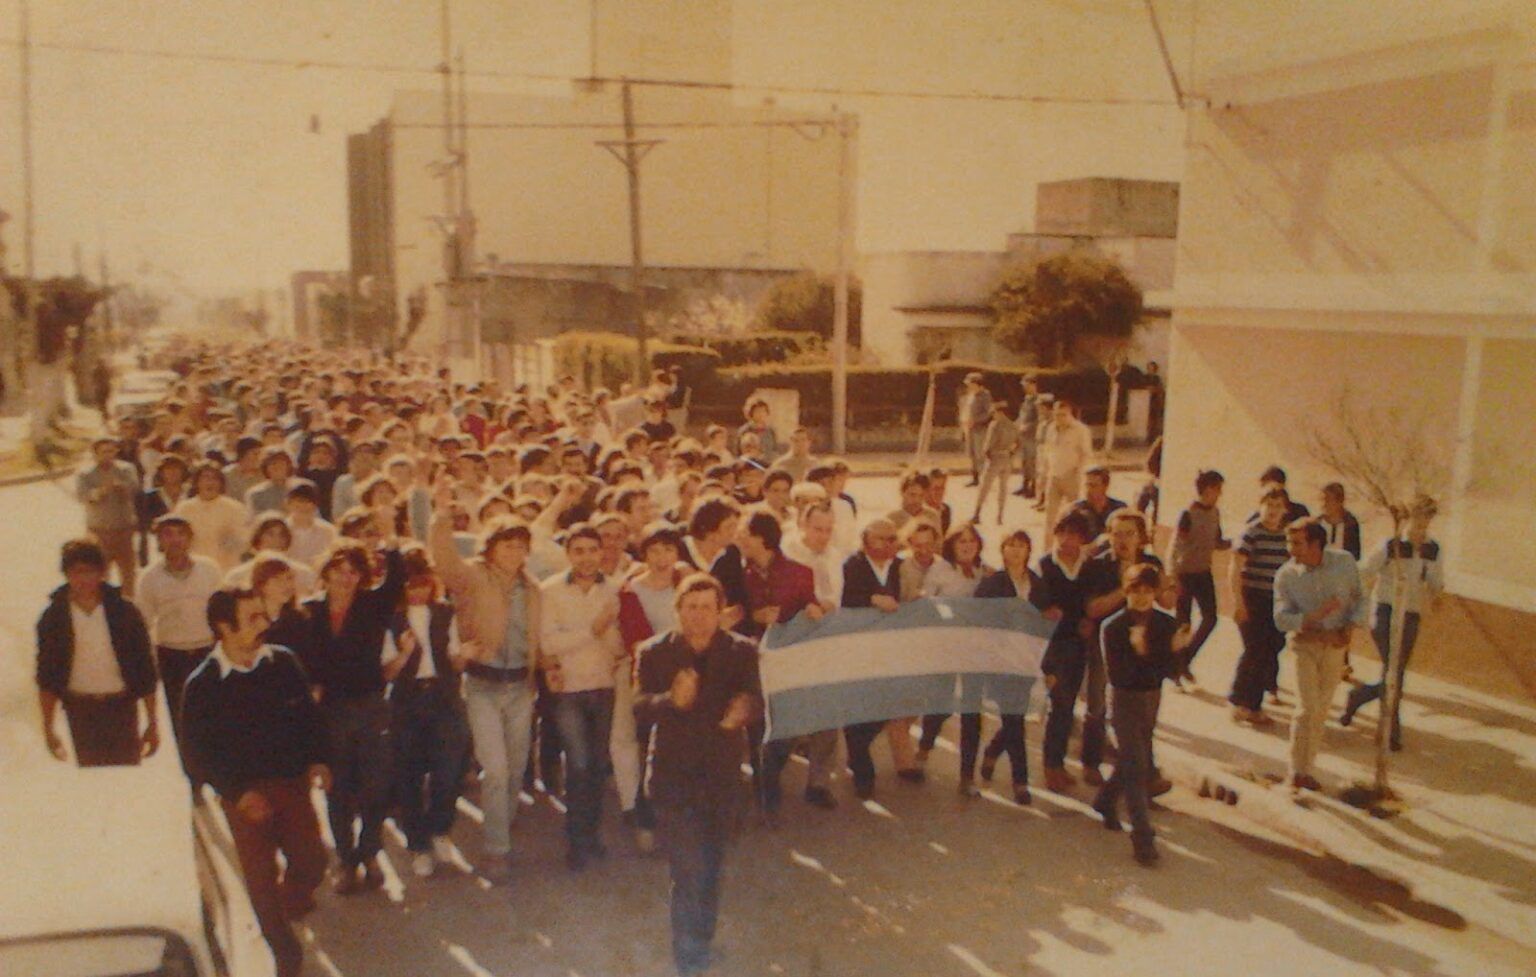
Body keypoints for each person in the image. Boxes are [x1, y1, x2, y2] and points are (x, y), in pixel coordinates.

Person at [180, 587, 330, 977]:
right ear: (223, 628)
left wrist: (319, 760)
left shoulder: (283, 663)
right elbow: (198, 754)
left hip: (291, 784)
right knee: (260, 883)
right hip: (243, 798)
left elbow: (310, 719)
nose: (264, 625)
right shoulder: (202, 684)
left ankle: (292, 899)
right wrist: (237, 793)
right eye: (252, 619)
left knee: (313, 859)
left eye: (263, 616)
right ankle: (285, 955)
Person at [633, 574, 762, 977]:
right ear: (677, 610)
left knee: (712, 867)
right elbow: (639, 708)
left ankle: (702, 939)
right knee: (686, 869)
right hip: (674, 777)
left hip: (722, 777)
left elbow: (757, 699)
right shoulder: (654, 652)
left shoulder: (742, 651)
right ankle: (687, 957)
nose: (699, 615)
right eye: (691, 607)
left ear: (721, 611)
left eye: (708, 607)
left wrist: (745, 708)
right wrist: (672, 699)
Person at [429, 486, 544, 882]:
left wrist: (546, 670)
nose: (514, 553)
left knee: (515, 768)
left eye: (519, 546)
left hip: (520, 688)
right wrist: (442, 520)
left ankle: (502, 821)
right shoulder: (473, 577)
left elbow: (536, 638)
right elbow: (444, 561)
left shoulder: (532, 589)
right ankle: (498, 849)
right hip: (482, 687)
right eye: (506, 545)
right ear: (491, 547)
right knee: (494, 770)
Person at [300, 537, 406, 893]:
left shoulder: (373, 605)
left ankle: (371, 851)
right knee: (338, 788)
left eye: (353, 572)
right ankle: (346, 860)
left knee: (376, 786)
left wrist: (389, 549)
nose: (345, 578)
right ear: (325, 574)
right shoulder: (309, 611)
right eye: (339, 571)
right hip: (330, 710)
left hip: (370, 704)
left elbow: (395, 580)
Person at [539, 523, 626, 871]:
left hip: (604, 685)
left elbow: (619, 645)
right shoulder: (550, 591)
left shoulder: (614, 590)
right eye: (579, 551)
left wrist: (606, 636)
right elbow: (548, 642)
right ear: (567, 554)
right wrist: (593, 630)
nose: (587, 558)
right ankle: (576, 841)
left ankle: (591, 834)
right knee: (578, 764)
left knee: (597, 766)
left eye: (593, 550)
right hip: (569, 690)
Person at [381, 548, 472, 878]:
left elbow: (456, 658)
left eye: (422, 583)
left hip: (443, 696)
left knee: (449, 770)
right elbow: (388, 673)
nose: (417, 591)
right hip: (406, 700)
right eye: (409, 585)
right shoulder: (389, 619)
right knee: (408, 775)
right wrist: (404, 654)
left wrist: (465, 656)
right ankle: (418, 843)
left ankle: (440, 830)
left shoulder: (445, 612)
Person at [1093, 565, 1191, 867]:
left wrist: (1176, 651)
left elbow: (1172, 673)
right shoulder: (1113, 627)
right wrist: (1144, 652)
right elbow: (1120, 674)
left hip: (1151, 699)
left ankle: (1106, 800)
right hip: (1124, 700)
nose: (1142, 597)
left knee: (1130, 760)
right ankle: (1143, 837)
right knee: (1136, 767)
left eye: (1148, 591)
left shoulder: (1165, 623)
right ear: (1127, 591)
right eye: (1135, 590)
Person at [740, 510, 834, 818]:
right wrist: (754, 617)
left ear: (762, 539)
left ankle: (784, 776)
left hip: (791, 659)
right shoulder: (738, 572)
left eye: (746, 534)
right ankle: (765, 787)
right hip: (753, 659)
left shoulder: (799, 572)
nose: (740, 539)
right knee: (759, 723)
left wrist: (812, 609)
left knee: (794, 722)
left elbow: (810, 606)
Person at [36, 538, 159, 767]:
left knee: (125, 781)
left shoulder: (124, 611)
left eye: (89, 572)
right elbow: (46, 676)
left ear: (102, 573)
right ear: (66, 574)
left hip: (121, 706)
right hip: (81, 710)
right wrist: (48, 727)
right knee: (93, 783)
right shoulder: (54, 618)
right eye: (76, 572)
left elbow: (145, 670)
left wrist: (152, 722)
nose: (83, 579)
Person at [1340, 496, 1444, 750]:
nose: (1423, 522)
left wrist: (1435, 595)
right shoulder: (1392, 545)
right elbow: (1364, 572)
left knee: (1395, 673)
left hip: (1410, 614)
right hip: (1385, 611)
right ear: (1409, 516)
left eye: (1428, 517)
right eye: (1419, 515)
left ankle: (1360, 696)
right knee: (1393, 671)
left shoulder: (1433, 549)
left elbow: (1435, 582)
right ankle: (1390, 730)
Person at [1274, 518, 1368, 794]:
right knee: (1306, 708)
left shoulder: (1344, 563)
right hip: (1305, 645)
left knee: (1322, 710)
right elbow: (1281, 618)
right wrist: (1311, 619)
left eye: (1297, 543)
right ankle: (1295, 772)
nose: (1291, 549)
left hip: (1336, 646)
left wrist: (1350, 627)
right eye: (1289, 542)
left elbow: (1361, 598)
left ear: (1316, 544)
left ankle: (1308, 770)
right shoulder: (1287, 575)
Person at [135, 514, 223, 762]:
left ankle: (218, 774)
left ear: (190, 538)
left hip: (208, 652)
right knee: (182, 719)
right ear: (159, 541)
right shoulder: (149, 578)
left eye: (180, 533)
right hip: (172, 655)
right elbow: (143, 622)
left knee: (216, 717)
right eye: (168, 534)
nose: (175, 540)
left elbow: (223, 611)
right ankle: (193, 777)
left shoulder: (209, 569)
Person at [968, 528, 1047, 803]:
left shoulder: (1037, 583)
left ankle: (992, 751)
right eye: (1010, 545)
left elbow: (1047, 618)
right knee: (1014, 720)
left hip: (1026, 660)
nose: (1015, 550)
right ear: (1002, 551)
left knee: (1015, 718)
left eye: (1021, 545)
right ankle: (1020, 781)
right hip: (1000, 661)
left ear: (1029, 551)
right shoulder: (993, 584)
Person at [840, 518, 904, 799]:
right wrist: (872, 599)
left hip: (890, 650)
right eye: (881, 538)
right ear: (866, 540)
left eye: (892, 538)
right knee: (858, 709)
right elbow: (844, 599)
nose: (888, 544)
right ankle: (862, 768)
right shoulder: (852, 565)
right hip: (858, 649)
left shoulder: (901, 566)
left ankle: (857, 750)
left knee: (887, 707)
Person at [1033, 511, 1095, 793]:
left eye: (1074, 534)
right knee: (1059, 703)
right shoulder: (1045, 565)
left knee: (1068, 706)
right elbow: (1037, 604)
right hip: (1052, 645)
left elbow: (1089, 602)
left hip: (1077, 643)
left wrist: (1088, 621)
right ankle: (1050, 766)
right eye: (1063, 533)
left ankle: (1057, 763)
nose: (1067, 540)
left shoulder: (1089, 566)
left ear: (1083, 538)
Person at [1228, 488, 1293, 725]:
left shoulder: (1285, 535)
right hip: (1253, 598)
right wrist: (1238, 602)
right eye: (1270, 505)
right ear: (1261, 505)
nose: (1274, 511)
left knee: (1270, 649)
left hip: (1275, 601)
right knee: (1254, 650)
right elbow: (1235, 568)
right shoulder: (1251, 532)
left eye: (1278, 506)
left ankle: (1253, 706)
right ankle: (1238, 701)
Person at [1168, 470, 1230, 681]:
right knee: (1183, 624)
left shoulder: (1215, 512)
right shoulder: (1188, 513)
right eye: (1217, 489)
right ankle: (1176, 668)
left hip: (1204, 572)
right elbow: (1175, 546)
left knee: (1210, 619)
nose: (1220, 494)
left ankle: (1185, 659)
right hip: (1185, 573)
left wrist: (1236, 543)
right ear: (1207, 489)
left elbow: (1218, 541)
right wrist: (1172, 576)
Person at [76, 436, 141, 597]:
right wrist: (100, 491)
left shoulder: (126, 469)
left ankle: (129, 606)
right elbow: (82, 496)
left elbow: (135, 489)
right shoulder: (86, 474)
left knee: (129, 574)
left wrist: (122, 489)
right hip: (99, 532)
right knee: (99, 573)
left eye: (112, 451)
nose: (108, 455)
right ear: (95, 454)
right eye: (104, 452)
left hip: (124, 530)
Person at [176, 462, 250, 570]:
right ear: (197, 482)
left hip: (225, 568)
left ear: (221, 483)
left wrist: (230, 541)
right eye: (205, 478)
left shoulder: (235, 508)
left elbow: (245, 540)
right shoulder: (184, 509)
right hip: (194, 570)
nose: (210, 482)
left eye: (215, 479)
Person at [1041, 399, 1095, 542]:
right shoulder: (1051, 428)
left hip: (1072, 476)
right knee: (1050, 517)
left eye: (1063, 415)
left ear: (1070, 414)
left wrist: (1078, 472)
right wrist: (1044, 473)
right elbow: (1047, 451)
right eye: (1057, 415)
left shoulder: (1081, 430)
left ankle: (1074, 546)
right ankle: (1047, 550)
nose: (1059, 418)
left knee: (1074, 516)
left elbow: (1086, 454)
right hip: (1054, 476)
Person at [972, 400, 1020, 525]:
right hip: (1007, 459)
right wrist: (1011, 453)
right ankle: (999, 516)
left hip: (995, 458)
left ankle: (977, 513)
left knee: (985, 487)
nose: (993, 415)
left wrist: (986, 454)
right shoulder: (1013, 425)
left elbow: (988, 444)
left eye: (994, 412)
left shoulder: (995, 425)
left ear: (1000, 412)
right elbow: (1018, 443)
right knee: (1003, 488)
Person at [1069, 466, 1128, 542]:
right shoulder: (1076, 510)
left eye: (1093, 486)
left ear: (1105, 487)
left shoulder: (1119, 509)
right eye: (1087, 485)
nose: (1088, 490)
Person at [958, 372, 993, 486]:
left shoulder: (985, 395)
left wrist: (976, 420)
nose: (968, 386)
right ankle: (975, 478)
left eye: (970, 384)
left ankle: (984, 478)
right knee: (971, 454)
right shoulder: (970, 395)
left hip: (980, 429)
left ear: (977, 384)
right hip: (969, 429)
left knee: (980, 455)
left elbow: (988, 413)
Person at [1013, 375, 1043, 498]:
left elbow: (1039, 419)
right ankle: (1024, 485)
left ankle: (1034, 488)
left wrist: (1028, 427)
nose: (1024, 388)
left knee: (1033, 463)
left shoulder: (1038, 401)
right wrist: (1016, 425)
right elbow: (1022, 416)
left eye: (1026, 385)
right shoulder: (1027, 400)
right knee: (1025, 462)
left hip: (1033, 436)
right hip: (1024, 436)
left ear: (1033, 385)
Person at [1318, 482, 1362, 559]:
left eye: (1328, 500)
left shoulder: (1350, 524)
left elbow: (1354, 555)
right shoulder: (1319, 523)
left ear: (1340, 501)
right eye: (1323, 500)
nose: (1324, 504)